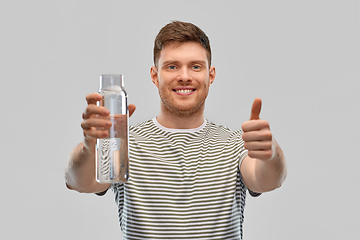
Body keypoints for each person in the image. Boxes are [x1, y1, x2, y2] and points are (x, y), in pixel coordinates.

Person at [65, 21, 287, 239]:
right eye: (172, 66)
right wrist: (90, 147)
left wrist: (271, 153)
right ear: (155, 75)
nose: (184, 76)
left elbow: (267, 180)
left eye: (195, 66)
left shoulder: (235, 143)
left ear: (211, 75)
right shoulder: (123, 143)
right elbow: (79, 182)